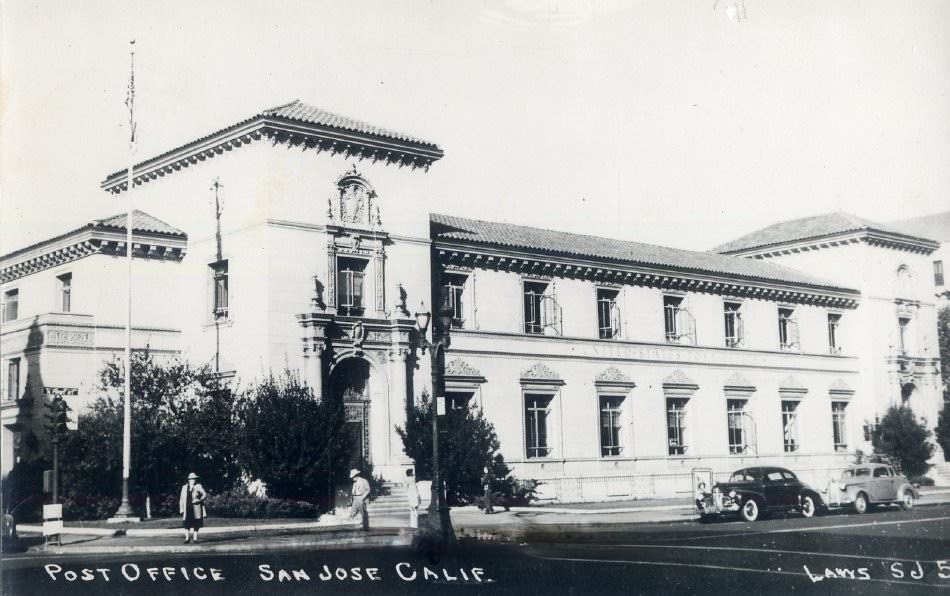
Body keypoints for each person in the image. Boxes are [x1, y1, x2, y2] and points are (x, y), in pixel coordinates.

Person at [179, 473, 207, 544]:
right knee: (186, 524)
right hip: (187, 509)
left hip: (196, 508)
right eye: (192, 479)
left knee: (196, 524)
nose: (193, 480)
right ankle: (187, 538)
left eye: (194, 479)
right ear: (189, 480)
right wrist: (181, 509)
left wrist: (199, 500)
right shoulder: (184, 487)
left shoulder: (198, 486)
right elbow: (181, 499)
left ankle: (195, 539)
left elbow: (204, 494)